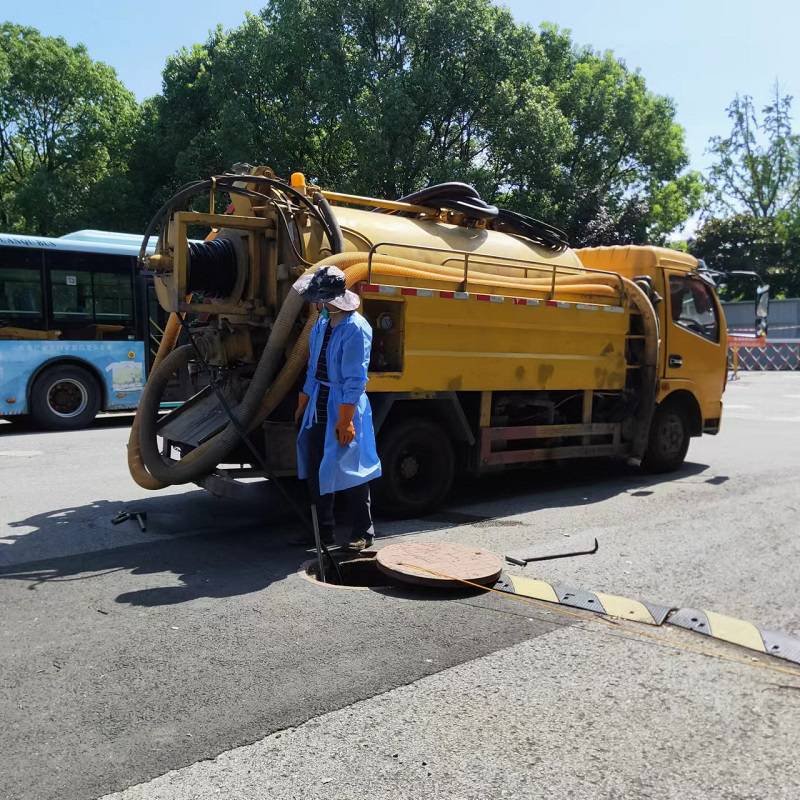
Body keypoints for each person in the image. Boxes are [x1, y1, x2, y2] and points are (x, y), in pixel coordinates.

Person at [293, 266, 381, 551]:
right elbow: (312, 367)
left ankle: (362, 533)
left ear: (327, 297)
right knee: (317, 464)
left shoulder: (356, 328)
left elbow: (355, 379)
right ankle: (322, 531)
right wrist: (303, 403)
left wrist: (345, 420)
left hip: (344, 404)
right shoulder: (322, 321)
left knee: (353, 469)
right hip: (319, 403)